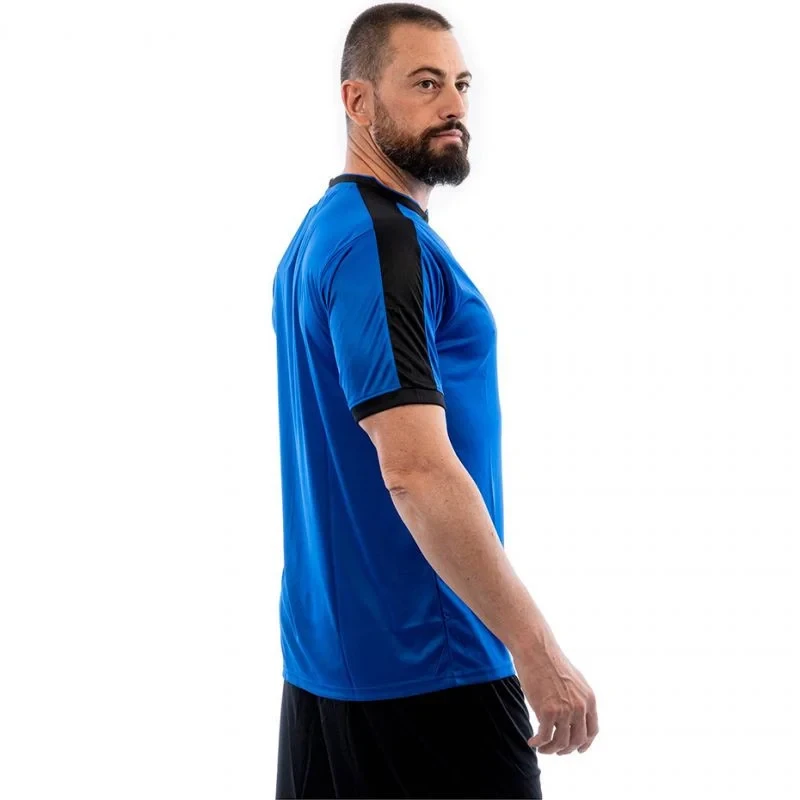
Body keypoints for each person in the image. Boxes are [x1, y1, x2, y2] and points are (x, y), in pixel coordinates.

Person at [271, 3, 598, 797]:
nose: (454, 105)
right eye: (425, 84)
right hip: (430, 673)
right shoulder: (380, 244)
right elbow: (414, 469)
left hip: (328, 671)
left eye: (461, 83)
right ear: (357, 101)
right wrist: (536, 649)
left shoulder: (320, 235)